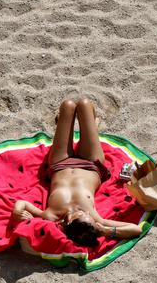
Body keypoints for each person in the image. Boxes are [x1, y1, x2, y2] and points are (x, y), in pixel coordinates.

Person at [12, 98, 142, 248]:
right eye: (91, 220)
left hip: (59, 164)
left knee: (68, 105)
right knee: (84, 104)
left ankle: (82, 127)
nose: (87, 214)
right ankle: (91, 126)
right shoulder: (96, 219)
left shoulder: (51, 216)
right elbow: (136, 229)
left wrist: (17, 211)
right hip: (91, 164)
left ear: (70, 221)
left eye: (83, 216)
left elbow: (22, 204)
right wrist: (106, 231)